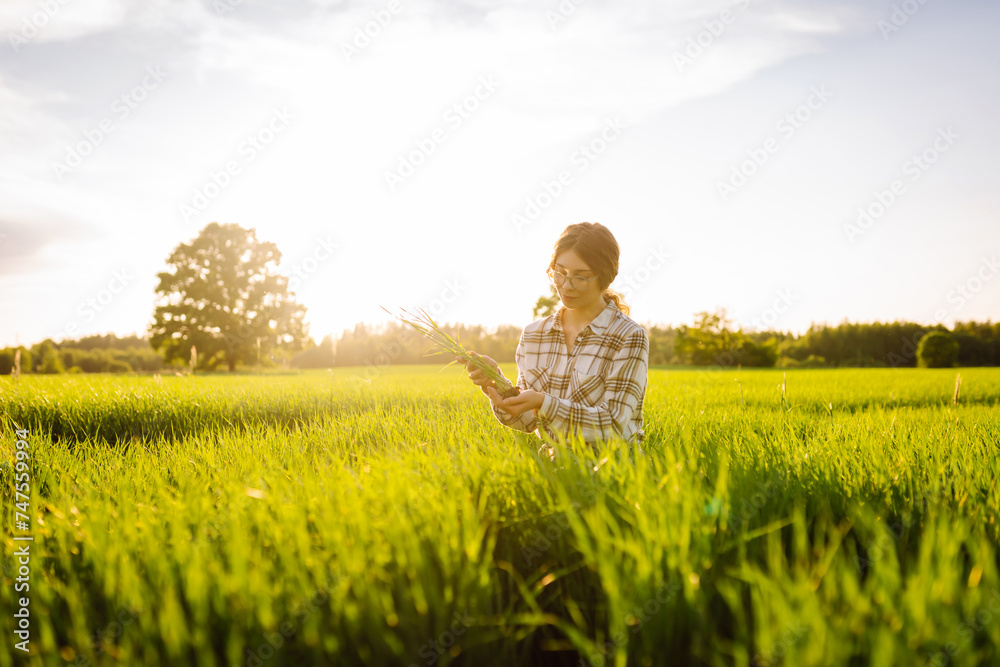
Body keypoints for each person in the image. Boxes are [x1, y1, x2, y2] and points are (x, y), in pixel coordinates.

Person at [457, 222, 649, 464]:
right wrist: (495, 381)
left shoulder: (628, 336)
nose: (566, 286)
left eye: (581, 277)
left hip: (616, 469)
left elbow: (613, 425)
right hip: (555, 466)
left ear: (605, 277)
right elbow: (526, 421)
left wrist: (544, 402)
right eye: (560, 272)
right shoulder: (533, 334)